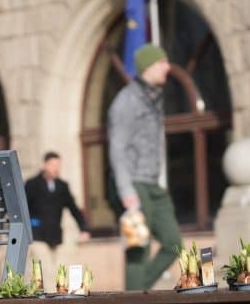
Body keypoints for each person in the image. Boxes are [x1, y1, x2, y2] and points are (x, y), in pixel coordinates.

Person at [107, 43, 182, 291]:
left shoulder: (153, 99)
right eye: (162, 63)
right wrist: (126, 191)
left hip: (152, 184)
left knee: (173, 244)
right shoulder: (126, 101)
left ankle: (134, 295)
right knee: (139, 247)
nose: (167, 68)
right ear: (147, 67)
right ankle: (134, 303)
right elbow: (117, 148)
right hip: (133, 183)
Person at [24, 152, 89, 273]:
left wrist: (83, 229)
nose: (56, 168)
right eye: (53, 165)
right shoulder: (32, 184)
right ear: (44, 165)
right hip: (37, 236)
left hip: (55, 237)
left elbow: (74, 209)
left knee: (58, 271)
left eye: (58, 165)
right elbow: (23, 208)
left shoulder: (62, 186)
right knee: (45, 269)